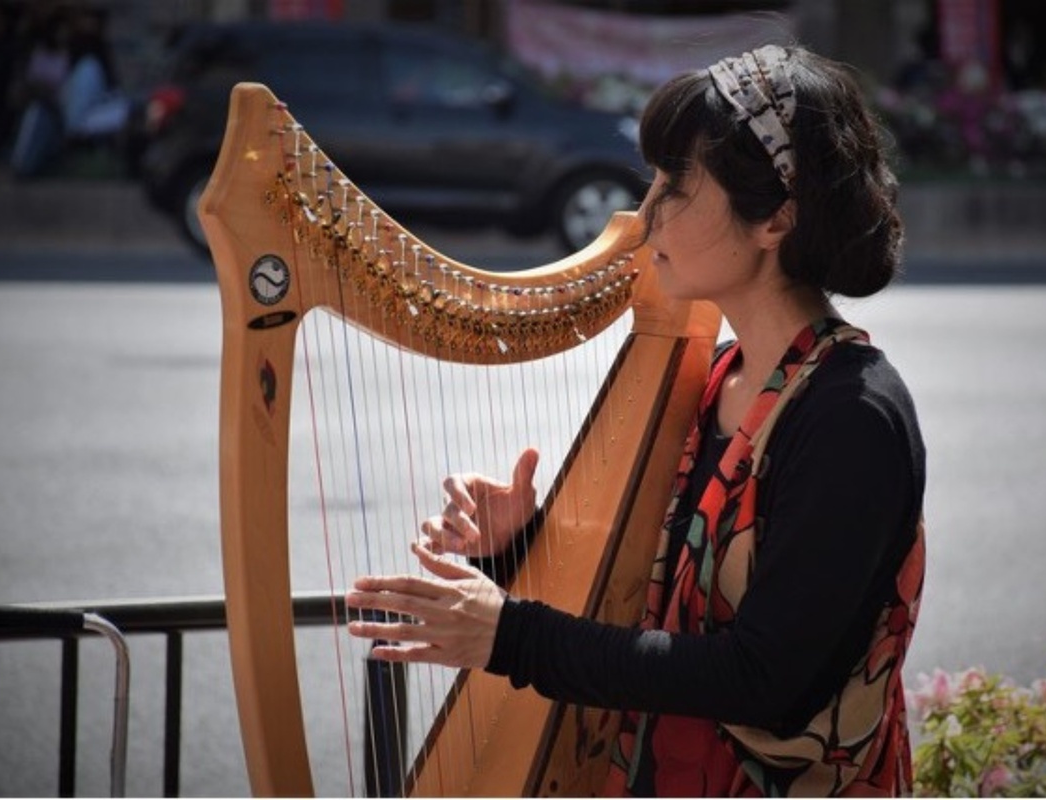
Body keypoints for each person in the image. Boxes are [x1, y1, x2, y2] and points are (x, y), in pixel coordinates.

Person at [345, 44, 927, 797]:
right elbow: (646, 607)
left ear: (775, 218)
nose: (645, 213)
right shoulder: (714, 373)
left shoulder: (852, 417)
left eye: (676, 185)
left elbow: (763, 679)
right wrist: (522, 548)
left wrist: (510, 634)